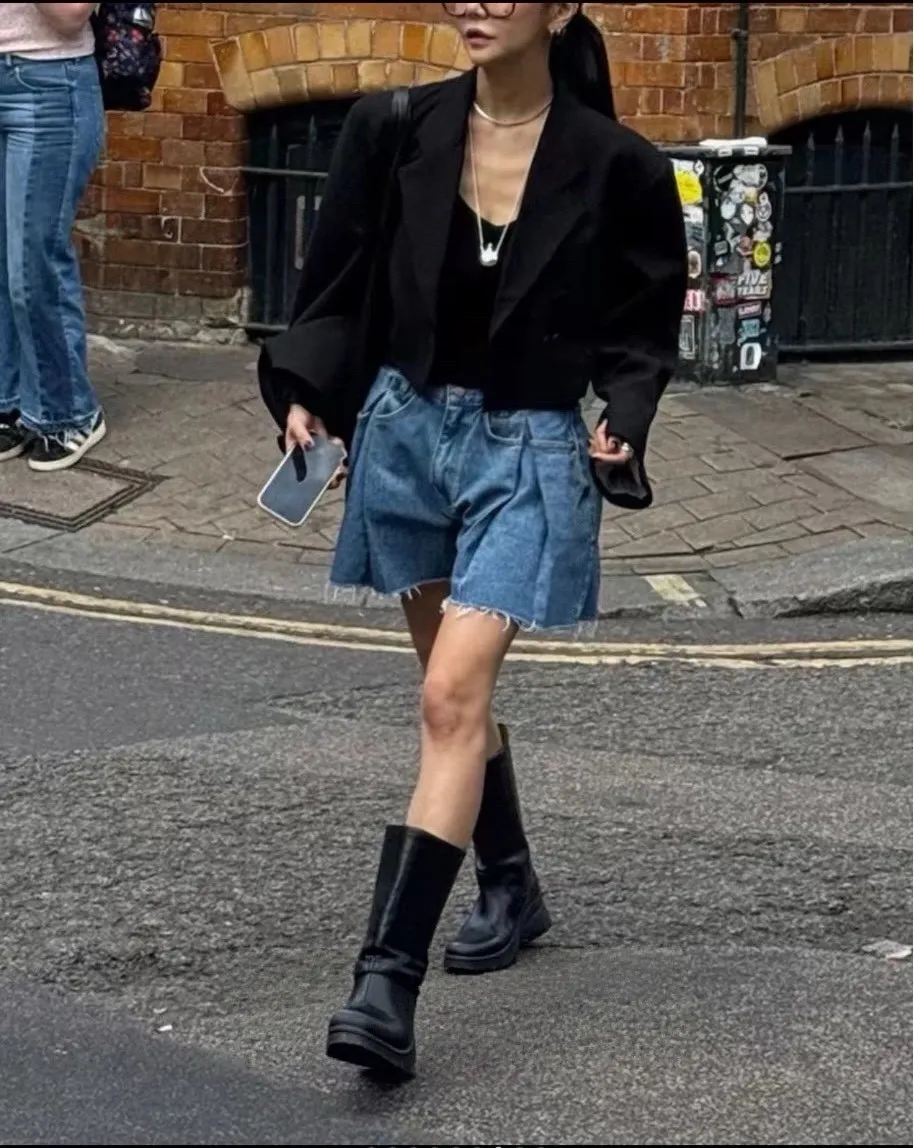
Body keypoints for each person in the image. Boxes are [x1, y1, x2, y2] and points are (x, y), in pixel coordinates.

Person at [266, 2, 687, 1080]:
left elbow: (642, 326)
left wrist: (623, 415)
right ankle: (510, 882)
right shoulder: (394, 125)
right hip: (405, 432)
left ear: (559, 7)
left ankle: (384, 985)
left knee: (449, 697)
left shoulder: (621, 167)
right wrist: (307, 392)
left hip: (529, 451)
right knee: (453, 698)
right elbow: (337, 279)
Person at [0, 2, 107, 471]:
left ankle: (68, 412)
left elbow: (71, 14)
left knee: (32, 263)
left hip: (48, 83)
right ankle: (9, 404)